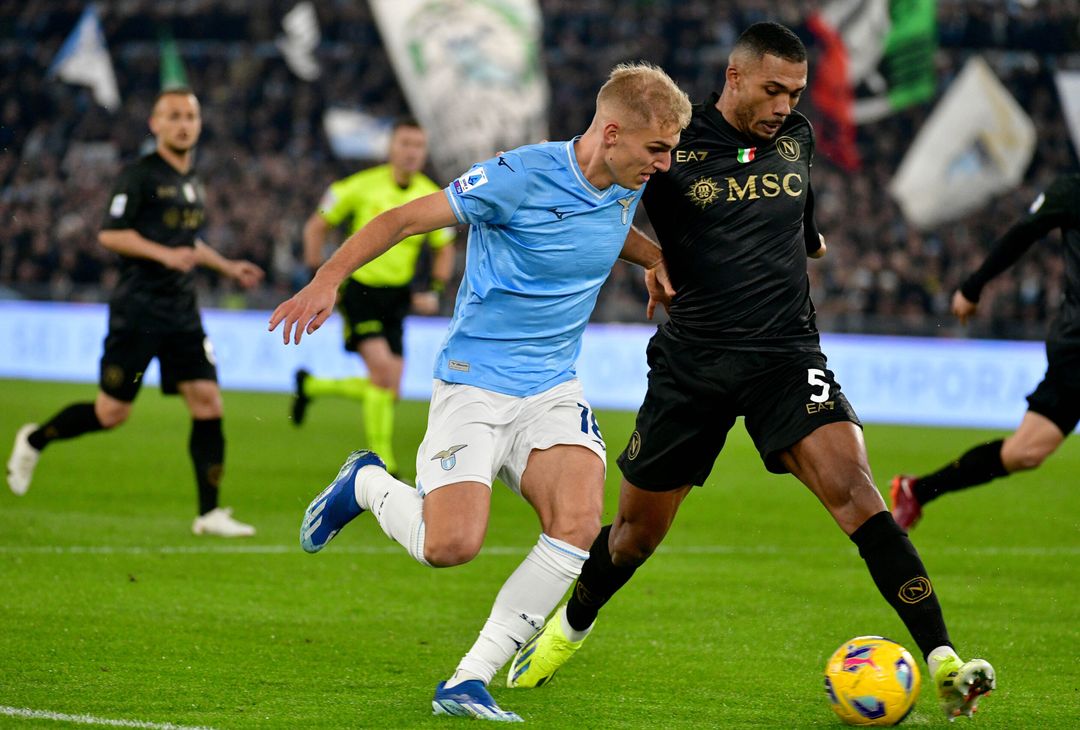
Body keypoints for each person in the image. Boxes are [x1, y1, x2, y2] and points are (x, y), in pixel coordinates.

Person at [508, 23, 996, 721]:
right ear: (734, 78)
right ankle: (567, 629)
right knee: (634, 537)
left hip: (787, 356)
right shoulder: (670, 146)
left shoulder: (797, 135)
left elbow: (801, 213)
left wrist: (809, 241)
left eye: (794, 92)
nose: (783, 104)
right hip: (693, 364)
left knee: (858, 493)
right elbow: (598, 213)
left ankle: (945, 659)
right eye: (772, 89)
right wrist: (653, 258)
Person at [270, 63, 691, 722]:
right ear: (611, 133)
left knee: (578, 526)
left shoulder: (626, 181)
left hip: (553, 388)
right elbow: (404, 220)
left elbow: (608, 232)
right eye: (656, 150)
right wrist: (327, 279)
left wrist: (655, 259)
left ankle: (467, 680)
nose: (664, 165)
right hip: (474, 383)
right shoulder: (517, 176)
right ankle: (366, 485)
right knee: (450, 548)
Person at [5, 88, 263, 537]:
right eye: (174, 116)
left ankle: (209, 513)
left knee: (207, 401)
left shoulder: (193, 180)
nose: (184, 123)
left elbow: (188, 244)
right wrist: (164, 255)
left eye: (190, 116)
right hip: (138, 310)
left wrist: (225, 265)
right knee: (111, 413)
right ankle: (34, 439)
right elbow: (111, 234)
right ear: (155, 124)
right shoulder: (139, 176)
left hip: (182, 311)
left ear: (199, 124)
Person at [891, 174, 1080, 531]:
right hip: (1076, 347)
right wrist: (973, 286)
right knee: (1025, 452)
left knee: (1025, 454)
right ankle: (918, 490)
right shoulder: (1072, 190)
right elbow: (1023, 232)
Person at [292, 118, 456, 476]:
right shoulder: (360, 186)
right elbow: (317, 224)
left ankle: (312, 385)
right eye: (405, 144)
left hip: (397, 297)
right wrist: (318, 275)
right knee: (382, 373)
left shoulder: (430, 193)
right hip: (360, 291)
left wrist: (436, 289)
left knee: (390, 387)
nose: (412, 152)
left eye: (418, 146)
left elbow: (444, 247)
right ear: (391, 148)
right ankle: (383, 462)